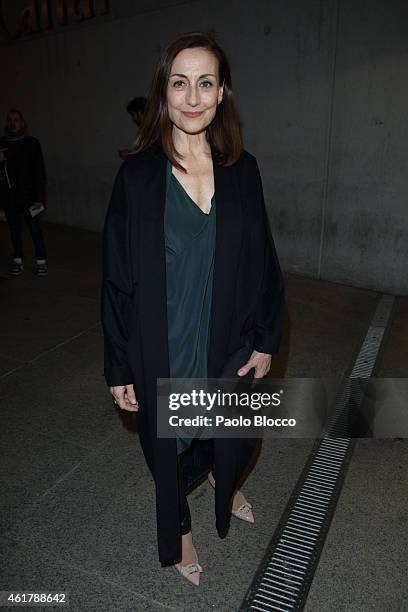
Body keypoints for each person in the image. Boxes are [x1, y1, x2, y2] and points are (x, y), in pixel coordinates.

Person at [101, 32, 285, 586]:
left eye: (205, 83)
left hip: (225, 335)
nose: (192, 97)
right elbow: (115, 277)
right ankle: (177, 527)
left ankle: (222, 482)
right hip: (162, 342)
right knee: (170, 440)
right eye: (179, 83)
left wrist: (265, 338)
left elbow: (264, 261)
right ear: (164, 92)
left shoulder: (242, 170)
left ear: (222, 91)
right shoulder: (137, 175)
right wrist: (119, 366)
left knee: (226, 429)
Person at [0, 109, 48, 276]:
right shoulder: (1, 144)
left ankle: (41, 260)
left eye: (17, 119)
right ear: (6, 123)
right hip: (9, 198)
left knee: (35, 230)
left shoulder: (32, 143)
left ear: (23, 123)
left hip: (29, 197)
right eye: (10, 120)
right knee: (14, 231)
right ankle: (18, 259)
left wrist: (39, 198)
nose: (13, 123)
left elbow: (39, 172)